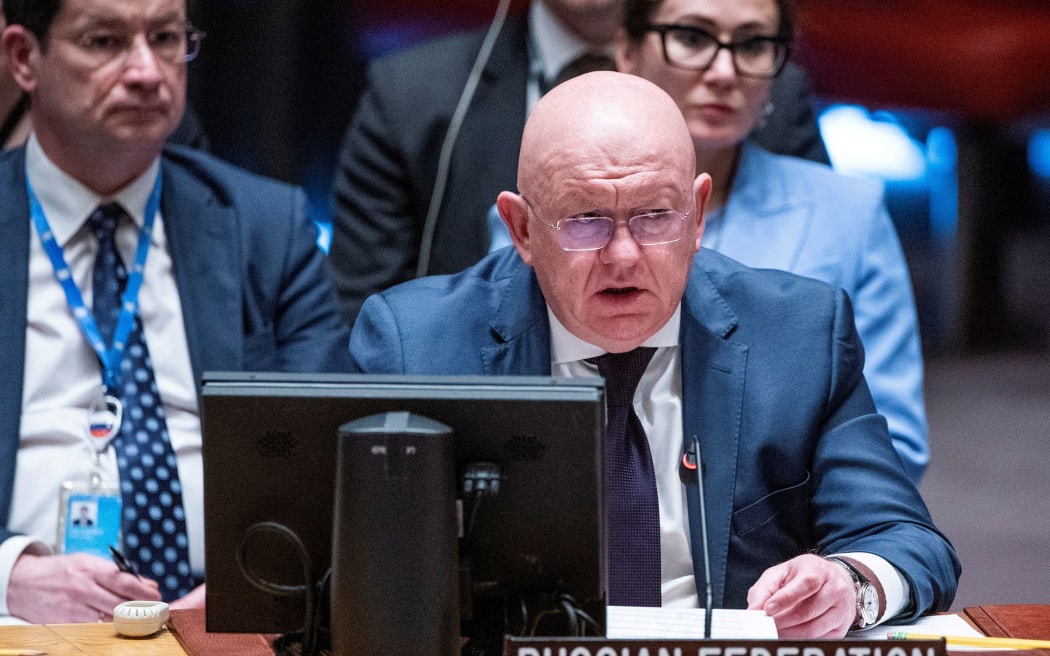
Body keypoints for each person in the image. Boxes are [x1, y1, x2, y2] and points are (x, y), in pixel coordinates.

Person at [349, 71, 960, 638]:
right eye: (585, 218)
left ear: (697, 216)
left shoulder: (798, 333)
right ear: (522, 230)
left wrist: (849, 585)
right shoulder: (419, 346)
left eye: (654, 216)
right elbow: (353, 579)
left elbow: (906, 540)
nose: (623, 255)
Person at [0, 0, 351, 624]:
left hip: (224, 614)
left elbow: (330, 459)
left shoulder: (267, 228)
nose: (145, 71)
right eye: (104, 41)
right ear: (24, 58)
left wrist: (262, 584)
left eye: (165, 38)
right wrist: (9, 578)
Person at [328, 0, 829, 324]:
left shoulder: (752, 91)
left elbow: (821, 263)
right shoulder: (414, 96)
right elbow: (360, 319)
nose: (723, 71)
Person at [614, 0, 929, 483]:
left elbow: (892, 444)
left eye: (753, 44)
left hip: (790, 544)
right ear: (627, 51)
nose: (724, 72)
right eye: (693, 38)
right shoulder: (555, 215)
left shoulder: (848, 214)